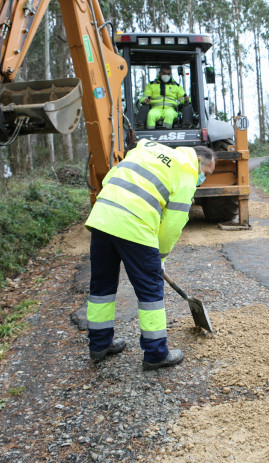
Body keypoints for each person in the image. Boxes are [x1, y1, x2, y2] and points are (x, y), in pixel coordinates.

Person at [84, 139, 216, 370]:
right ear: (197, 161)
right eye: (205, 173)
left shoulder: (148, 150)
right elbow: (172, 225)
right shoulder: (185, 169)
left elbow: (109, 179)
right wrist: (160, 259)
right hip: (135, 224)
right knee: (150, 292)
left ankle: (99, 345)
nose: (202, 179)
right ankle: (156, 354)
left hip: (102, 216)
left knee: (101, 287)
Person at [141, 64, 190, 130]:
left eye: (168, 74)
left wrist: (186, 100)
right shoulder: (151, 85)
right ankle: (150, 134)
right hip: (155, 108)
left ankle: (166, 133)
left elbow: (183, 99)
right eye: (164, 73)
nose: (166, 75)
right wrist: (145, 100)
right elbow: (144, 97)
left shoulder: (176, 86)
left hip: (170, 109)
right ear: (160, 73)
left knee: (169, 114)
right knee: (151, 115)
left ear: (171, 74)